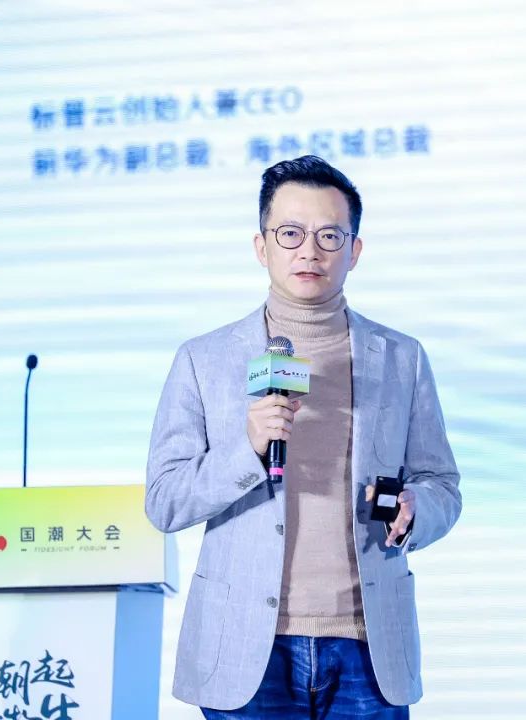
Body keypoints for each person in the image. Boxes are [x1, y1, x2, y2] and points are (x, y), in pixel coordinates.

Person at [145, 155, 461, 719]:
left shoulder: (401, 357)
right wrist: (247, 449)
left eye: (329, 235)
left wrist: (419, 507)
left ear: (354, 250)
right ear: (261, 246)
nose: (309, 251)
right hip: (246, 644)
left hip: (367, 645)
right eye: (290, 233)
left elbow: (442, 484)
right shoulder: (203, 359)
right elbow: (165, 502)